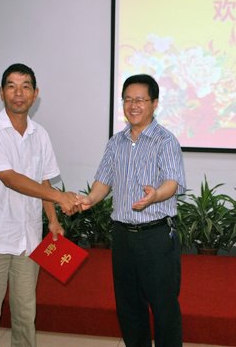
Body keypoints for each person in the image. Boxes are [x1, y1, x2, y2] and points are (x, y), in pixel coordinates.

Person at [0, 63, 78, 347]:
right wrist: (61, 198)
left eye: (25, 87)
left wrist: (53, 220)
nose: (18, 93)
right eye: (12, 86)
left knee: (26, 315)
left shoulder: (40, 134)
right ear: (1, 92)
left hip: (28, 238)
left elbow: (44, 180)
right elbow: (9, 178)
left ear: (35, 94)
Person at [76, 74, 186, 347]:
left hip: (156, 236)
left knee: (164, 308)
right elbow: (103, 181)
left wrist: (155, 195)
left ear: (154, 103)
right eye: (128, 99)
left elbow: (172, 182)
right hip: (123, 236)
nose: (133, 105)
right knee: (129, 307)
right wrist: (89, 200)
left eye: (140, 100)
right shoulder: (116, 142)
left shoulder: (165, 141)